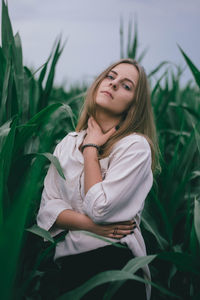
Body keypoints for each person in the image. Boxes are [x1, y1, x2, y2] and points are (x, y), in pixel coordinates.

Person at [37, 58, 160, 300]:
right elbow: (46, 212)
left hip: (115, 266)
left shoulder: (135, 147)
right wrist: (92, 227)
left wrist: (91, 148)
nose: (113, 85)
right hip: (69, 268)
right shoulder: (68, 144)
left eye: (126, 86)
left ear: (134, 104)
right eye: (110, 76)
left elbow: (99, 208)